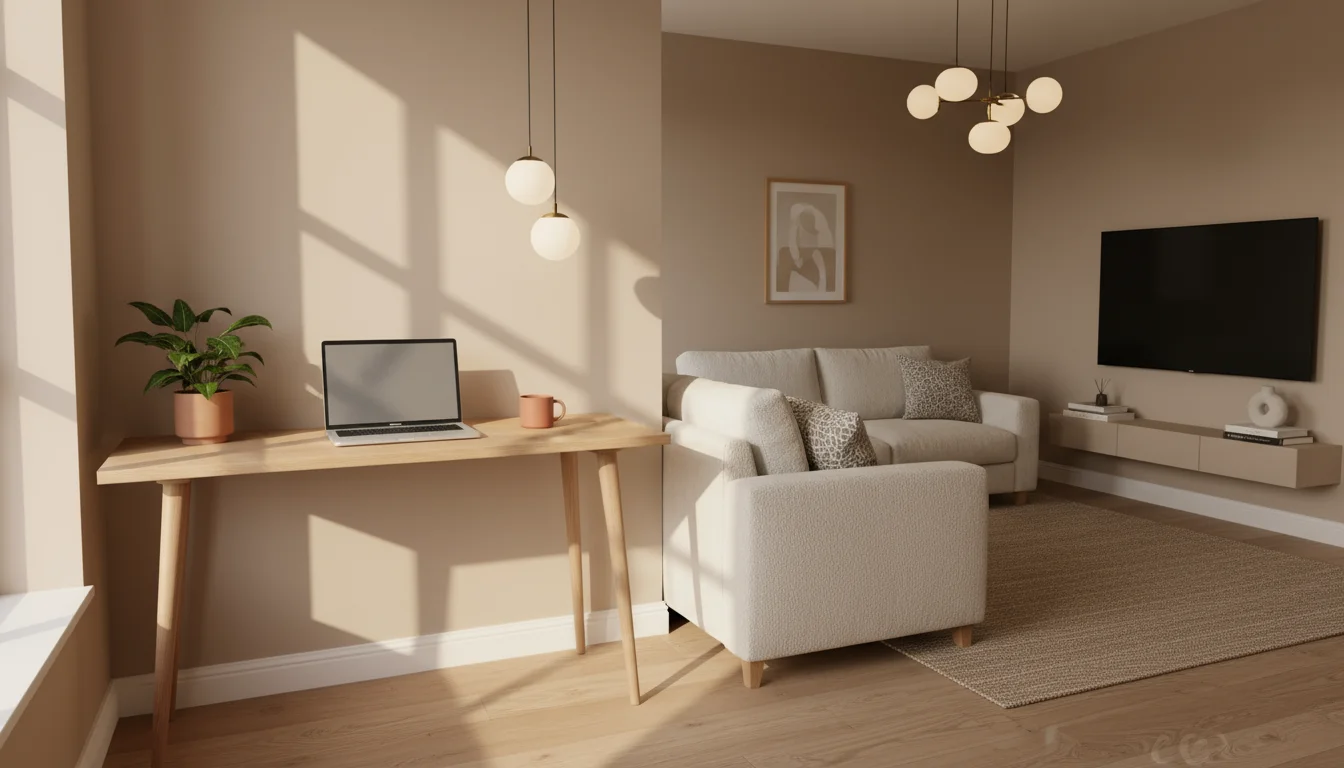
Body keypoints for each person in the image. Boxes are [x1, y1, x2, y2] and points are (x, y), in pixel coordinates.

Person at [781, 202, 834, 294]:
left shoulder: (823, 259)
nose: (804, 238)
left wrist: (821, 271)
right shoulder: (785, 256)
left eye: (810, 234)